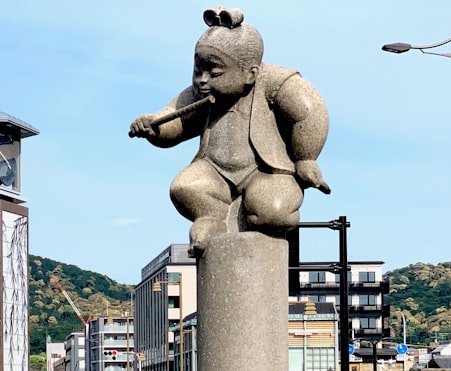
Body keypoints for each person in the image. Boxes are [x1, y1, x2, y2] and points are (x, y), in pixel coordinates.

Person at [128, 7, 330, 250]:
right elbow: (176, 119)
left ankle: (251, 212)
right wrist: (154, 127)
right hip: (214, 169)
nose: (202, 80)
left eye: (214, 72)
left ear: (250, 73)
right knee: (184, 188)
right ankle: (214, 217)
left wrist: (306, 158)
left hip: (267, 171)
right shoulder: (199, 94)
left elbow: (309, 112)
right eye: (197, 71)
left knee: (271, 211)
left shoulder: (276, 83)